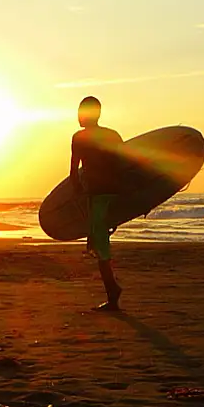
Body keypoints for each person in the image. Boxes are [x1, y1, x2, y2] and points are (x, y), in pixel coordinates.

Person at [70, 96, 127, 311]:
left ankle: (113, 292)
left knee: (100, 244)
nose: (78, 116)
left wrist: (76, 193)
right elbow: (125, 164)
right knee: (99, 239)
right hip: (116, 193)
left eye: (80, 112)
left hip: (98, 195)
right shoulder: (113, 135)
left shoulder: (79, 138)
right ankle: (112, 289)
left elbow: (74, 169)